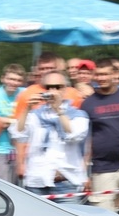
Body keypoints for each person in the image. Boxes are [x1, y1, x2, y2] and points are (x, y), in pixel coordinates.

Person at [17, 71, 89, 201]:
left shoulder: (78, 114)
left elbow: (73, 134)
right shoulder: (35, 115)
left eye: (57, 87)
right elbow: (19, 132)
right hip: (37, 182)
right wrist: (26, 108)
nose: (52, 91)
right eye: (48, 87)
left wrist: (58, 110)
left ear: (65, 89)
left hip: (66, 183)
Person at [82, 58, 119, 211]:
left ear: (114, 74)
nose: (101, 78)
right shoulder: (88, 103)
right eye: (98, 75)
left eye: (105, 74)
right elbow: (85, 140)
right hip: (102, 168)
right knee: (104, 214)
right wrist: (85, 171)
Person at [0, 63, 26, 184]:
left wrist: (5, 120)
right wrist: (15, 121)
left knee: (20, 190)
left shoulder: (24, 93)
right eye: (11, 79)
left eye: (18, 80)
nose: (14, 83)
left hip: (19, 150)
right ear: (3, 78)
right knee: (2, 187)